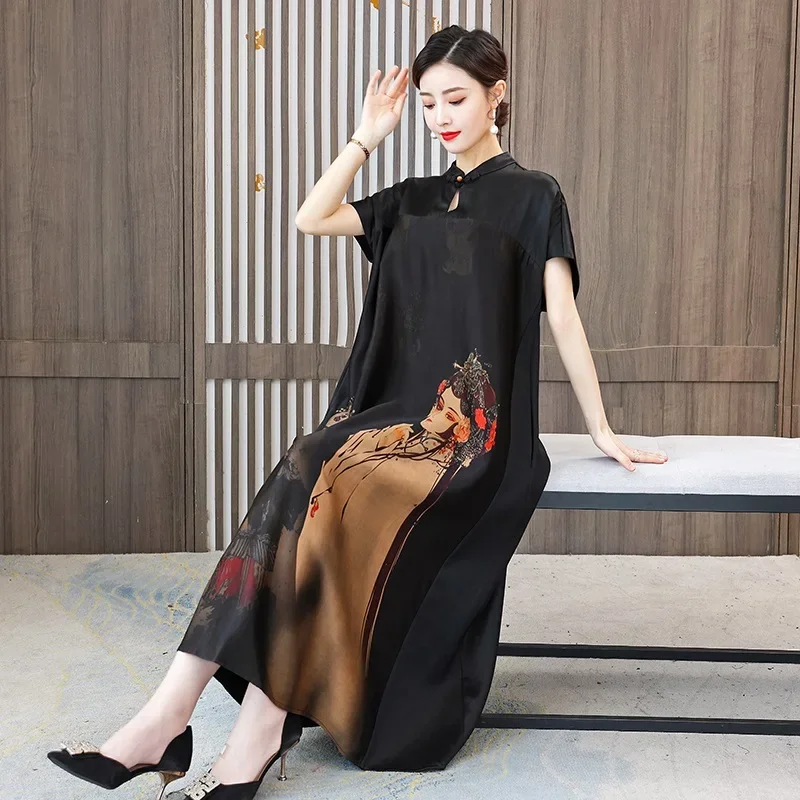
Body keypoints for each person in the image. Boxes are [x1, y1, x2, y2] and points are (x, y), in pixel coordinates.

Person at [46, 24, 667, 800]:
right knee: (311, 463)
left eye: (456, 99)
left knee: (326, 477)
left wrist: (601, 427)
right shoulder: (411, 200)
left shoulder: (533, 195)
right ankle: (190, 718)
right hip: (392, 415)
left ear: (497, 95)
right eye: (428, 103)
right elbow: (311, 216)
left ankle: (199, 727)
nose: (440, 116)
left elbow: (563, 316)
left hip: (473, 440)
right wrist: (366, 136)